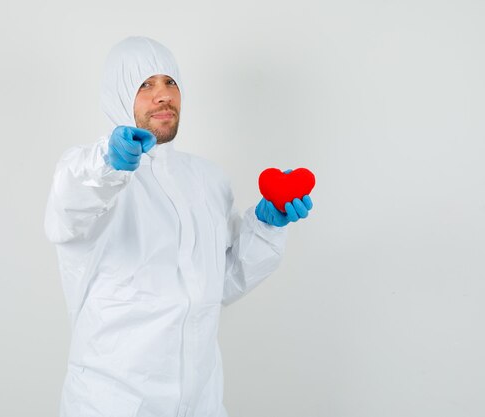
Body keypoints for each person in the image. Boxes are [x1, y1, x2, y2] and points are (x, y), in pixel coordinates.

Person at [44, 36, 313, 417]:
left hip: (199, 399)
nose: (163, 95)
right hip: (112, 402)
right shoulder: (91, 175)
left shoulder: (207, 180)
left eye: (170, 82)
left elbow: (219, 282)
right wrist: (110, 160)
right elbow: (69, 208)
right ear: (118, 94)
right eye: (145, 85)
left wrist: (267, 226)